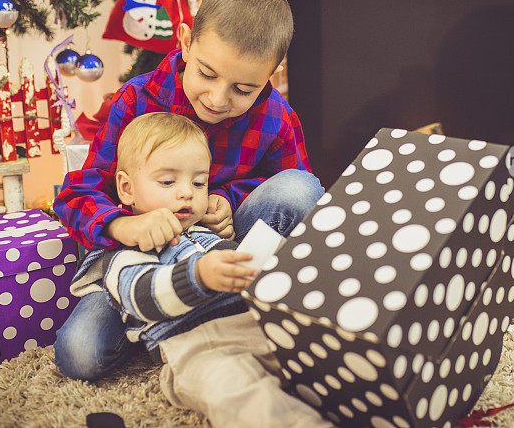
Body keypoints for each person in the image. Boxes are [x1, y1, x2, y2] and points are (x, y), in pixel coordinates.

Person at [53, 0, 324, 381]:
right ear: (184, 40)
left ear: (273, 72)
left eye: (243, 88)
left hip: (223, 250)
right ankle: (161, 325)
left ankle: (221, 311)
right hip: (135, 260)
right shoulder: (136, 100)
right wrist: (127, 224)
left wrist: (229, 200)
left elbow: (293, 196)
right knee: (80, 355)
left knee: (302, 187)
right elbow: (75, 195)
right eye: (207, 74)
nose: (218, 99)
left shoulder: (276, 117)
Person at [69, 113, 330, 427]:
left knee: (323, 362)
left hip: (257, 328)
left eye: (198, 182)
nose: (186, 193)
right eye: (168, 182)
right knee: (240, 395)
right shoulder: (123, 252)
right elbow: (143, 296)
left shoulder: (209, 234)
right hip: (197, 349)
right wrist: (199, 276)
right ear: (126, 189)